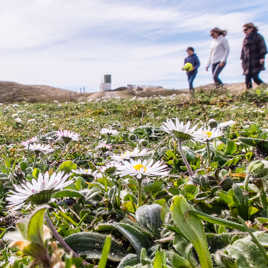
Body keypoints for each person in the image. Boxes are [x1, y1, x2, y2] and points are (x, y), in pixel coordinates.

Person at [241, 23, 267, 89]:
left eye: (245, 30)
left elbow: (263, 47)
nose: (244, 32)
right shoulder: (245, 39)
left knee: (255, 77)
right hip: (247, 63)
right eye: (243, 30)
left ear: (251, 29)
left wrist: (262, 57)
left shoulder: (258, 36)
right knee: (247, 79)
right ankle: (249, 95)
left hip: (256, 61)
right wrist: (242, 60)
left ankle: (266, 88)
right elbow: (243, 51)